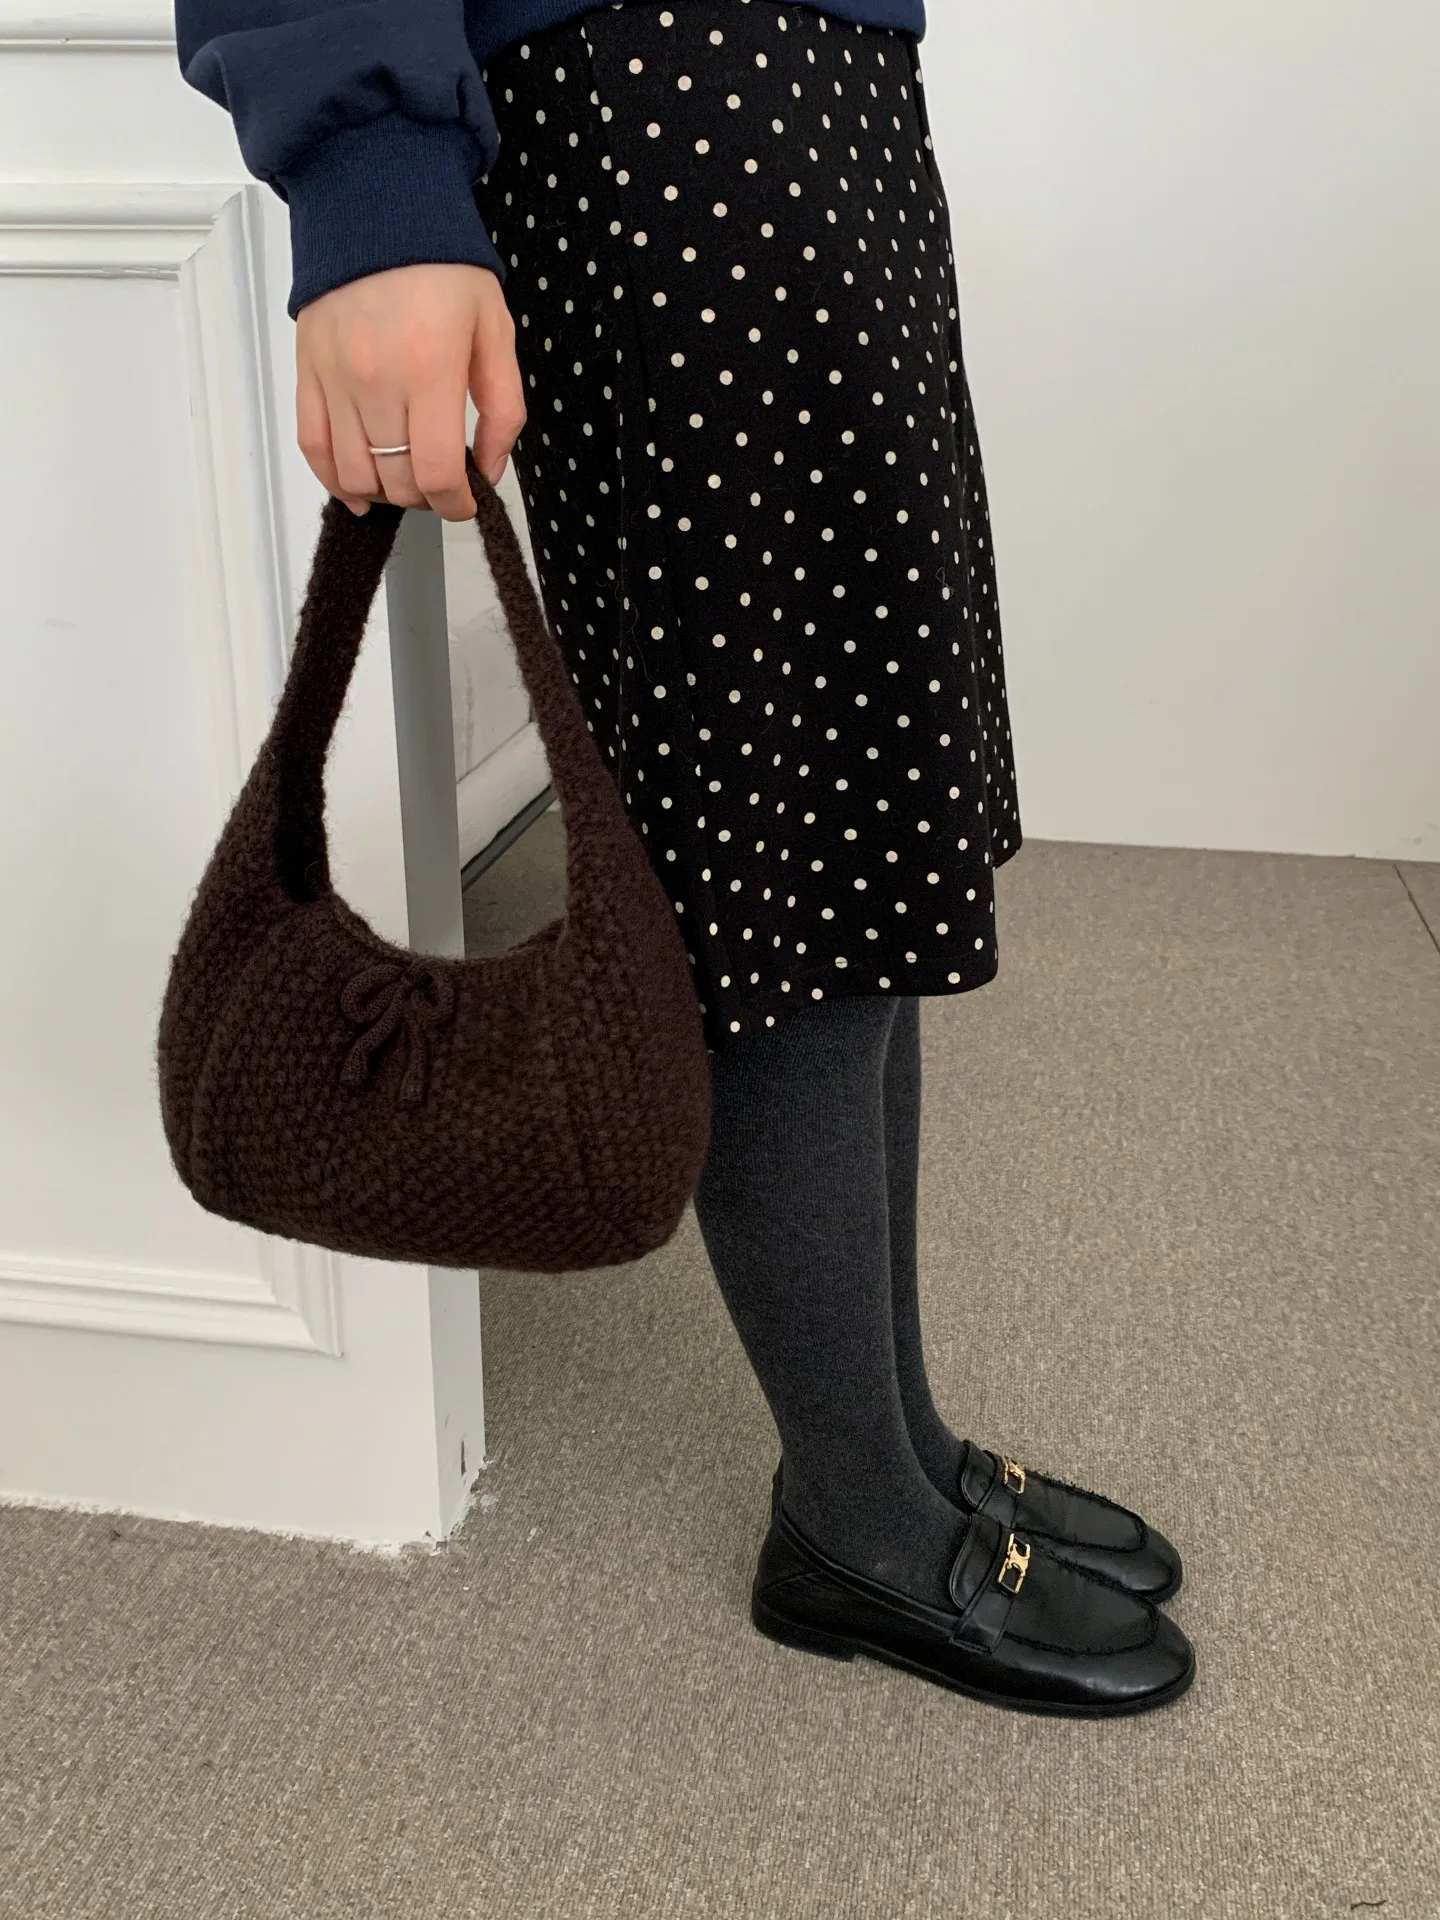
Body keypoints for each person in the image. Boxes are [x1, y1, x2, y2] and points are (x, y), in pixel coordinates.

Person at [177, 0, 1195, 1716]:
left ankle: (899, 1446)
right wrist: (368, 164)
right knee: (769, 849)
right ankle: (858, 1521)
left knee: (860, 824)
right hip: (647, 89)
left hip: (830, 85)